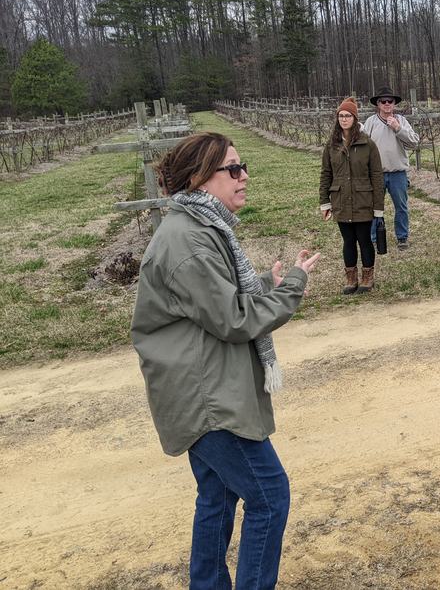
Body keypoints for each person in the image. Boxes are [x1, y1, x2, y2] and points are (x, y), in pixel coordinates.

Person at [131, 132, 320, 589]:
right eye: (233, 169)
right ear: (200, 178)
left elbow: (209, 298)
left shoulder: (197, 228)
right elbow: (234, 317)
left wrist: (263, 283)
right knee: (270, 497)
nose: (244, 176)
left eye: (243, 165)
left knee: (217, 496)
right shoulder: (190, 240)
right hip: (208, 401)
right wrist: (291, 287)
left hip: (201, 386)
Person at [320, 97, 385, 294]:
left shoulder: (368, 144)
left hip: (363, 200)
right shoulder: (332, 145)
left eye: (348, 115)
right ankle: (351, 279)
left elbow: (376, 175)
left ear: (355, 118)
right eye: (341, 115)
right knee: (348, 241)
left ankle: (367, 278)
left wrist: (378, 207)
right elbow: (326, 173)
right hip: (341, 200)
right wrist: (324, 202)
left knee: (364, 240)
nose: (344, 119)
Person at [362, 86, 420, 249]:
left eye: (390, 101)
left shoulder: (401, 121)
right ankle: (374, 238)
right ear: (378, 104)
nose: (387, 104)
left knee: (401, 206)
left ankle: (402, 237)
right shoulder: (371, 122)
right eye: (383, 101)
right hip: (376, 174)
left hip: (398, 173)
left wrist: (397, 128)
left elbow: (414, 143)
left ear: (394, 104)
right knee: (375, 208)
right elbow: (363, 146)